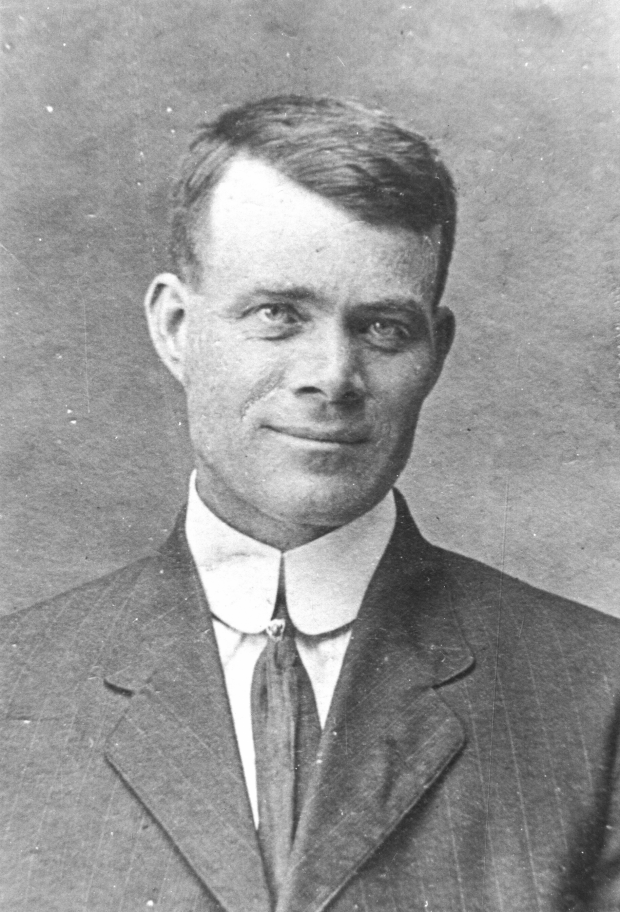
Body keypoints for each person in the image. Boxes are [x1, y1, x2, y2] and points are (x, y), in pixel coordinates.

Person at [1, 95, 618, 912]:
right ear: (177, 326)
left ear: (435, 353)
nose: (332, 374)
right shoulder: (19, 689)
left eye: (383, 329)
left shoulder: (596, 697)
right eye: (278, 315)